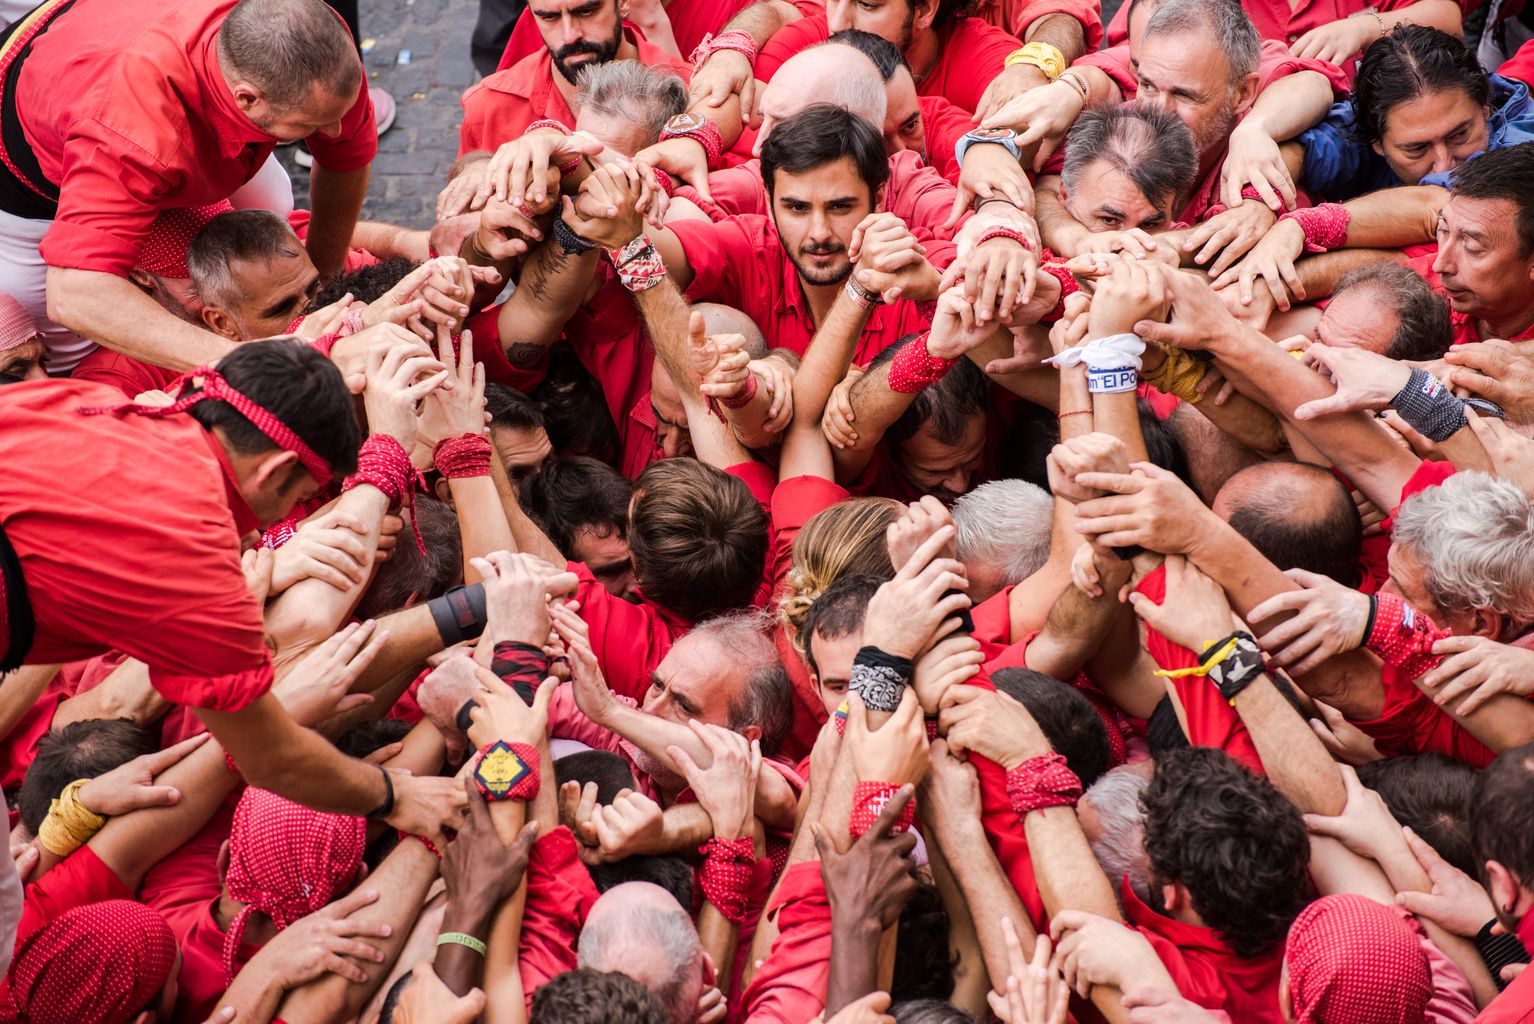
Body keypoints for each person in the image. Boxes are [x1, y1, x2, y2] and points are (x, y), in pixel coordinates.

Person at [0, 340, 463, 839]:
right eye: (302, 497)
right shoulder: (192, 563)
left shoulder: (92, 403)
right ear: (273, 471)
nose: (270, 525)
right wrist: (395, 796)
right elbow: (271, 758)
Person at [0, 0, 377, 374]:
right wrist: (261, 366)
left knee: (275, 211)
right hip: (31, 180)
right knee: (68, 347)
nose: (335, 133)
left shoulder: (318, 50)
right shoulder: (135, 132)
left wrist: (325, 287)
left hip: (130, 88)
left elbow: (345, 159)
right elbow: (77, 295)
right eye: (310, 125)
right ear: (246, 98)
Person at [1296, 27, 1534, 200]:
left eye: (1459, 135)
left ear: (1486, 108)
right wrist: (1261, 196)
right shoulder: (1365, 124)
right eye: (1417, 149)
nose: (1444, 167)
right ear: (1377, 143)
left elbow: (1445, 203)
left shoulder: (1523, 143)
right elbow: (1313, 147)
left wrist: (1312, 226)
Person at [457, 0, 692, 154]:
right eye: (550, 17)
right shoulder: (488, 108)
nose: (570, 36)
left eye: (586, 11)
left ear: (622, 3)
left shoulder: (695, 94)